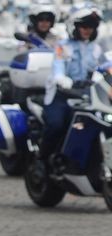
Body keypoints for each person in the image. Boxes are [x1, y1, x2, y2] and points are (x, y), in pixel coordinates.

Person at [41, 5, 102, 159]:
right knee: (57, 125)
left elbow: (104, 67)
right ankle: (42, 158)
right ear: (75, 27)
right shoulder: (63, 47)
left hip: (86, 95)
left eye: (92, 27)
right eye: (85, 26)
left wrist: (100, 76)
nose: (88, 30)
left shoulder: (96, 49)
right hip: (61, 95)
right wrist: (62, 79)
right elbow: (58, 67)